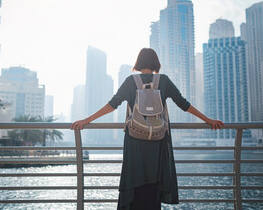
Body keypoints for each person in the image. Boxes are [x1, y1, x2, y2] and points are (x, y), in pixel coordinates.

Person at [72, 48, 224, 210]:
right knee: (153, 185)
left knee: (134, 182)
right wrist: (208, 120)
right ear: (156, 63)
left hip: (135, 142)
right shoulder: (163, 81)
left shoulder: (131, 81)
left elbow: (112, 104)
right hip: (157, 142)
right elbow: (184, 104)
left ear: (138, 63)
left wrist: (87, 120)